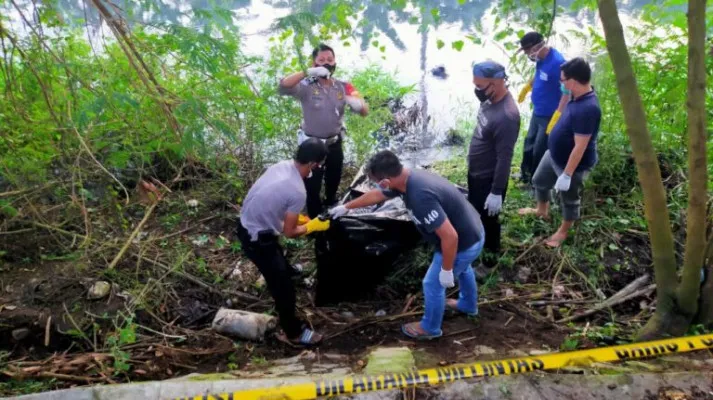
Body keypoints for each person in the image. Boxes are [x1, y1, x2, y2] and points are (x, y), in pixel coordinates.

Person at [328, 151, 485, 340]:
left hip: (463, 242)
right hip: (473, 230)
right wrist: (346, 207)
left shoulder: (420, 196)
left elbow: (450, 237)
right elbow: (378, 194)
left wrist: (446, 269)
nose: (379, 186)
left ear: (386, 179)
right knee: (464, 268)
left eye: (378, 181)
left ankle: (430, 328)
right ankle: (468, 304)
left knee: (433, 284)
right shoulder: (406, 178)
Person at [236, 138, 332, 346]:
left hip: (245, 224)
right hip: (258, 240)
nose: (318, 169)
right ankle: (293, 333)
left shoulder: (281, 166)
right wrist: (312, 226)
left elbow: (270, 199)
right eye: (319, 165)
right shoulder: (298, 191)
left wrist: (296, 217)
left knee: (279, 261)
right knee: (284, 290)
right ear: (313, 164)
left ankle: (288, 270)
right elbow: (289, 233)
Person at [278, 43, 369, 218]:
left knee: (333, 181)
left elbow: (364, 110)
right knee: (312, 186)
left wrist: (357, 104)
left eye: (330, 59)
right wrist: (307, 72)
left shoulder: (343, 86)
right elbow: (284, 87)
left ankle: (331, 209)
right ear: (314, 64)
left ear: (335, 63)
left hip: (334, 143)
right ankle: (313, 219)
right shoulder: (306, 86)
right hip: (312, 145)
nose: (326, 63)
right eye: (321, 60)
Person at [518, 58, 601, 247]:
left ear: (573, 81)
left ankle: (563, 232)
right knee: (539, 180)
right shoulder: (576, 95)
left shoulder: (588, 108)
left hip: (572, 165)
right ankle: (541, 210)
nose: (560, 83)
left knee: (569, 199)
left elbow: (580, 147)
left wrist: (567, 174)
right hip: (554, 154)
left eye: (562, 80)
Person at [467, 61, 521, 278]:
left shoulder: (507, 116)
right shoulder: (489, 100)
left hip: (488, 179)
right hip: (476, 172)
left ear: (497, 83)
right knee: (476, 214)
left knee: (489, 221)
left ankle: (489, 264)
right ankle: (475, 247)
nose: (476, 90)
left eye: (480, 86)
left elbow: (505, 158)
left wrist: (497, 191)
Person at [517, 31, 569, 188]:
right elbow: (539, 74)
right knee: (529, 143)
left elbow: (567, 91)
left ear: (538, 47)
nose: (528, 55)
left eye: (528, 51)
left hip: (549, 115)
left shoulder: (558, 63)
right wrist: (528, 86)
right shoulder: (541, 59)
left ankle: (535, 182)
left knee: (539, 149)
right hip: (538, 111)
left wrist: (558, 114)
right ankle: (525, 175)